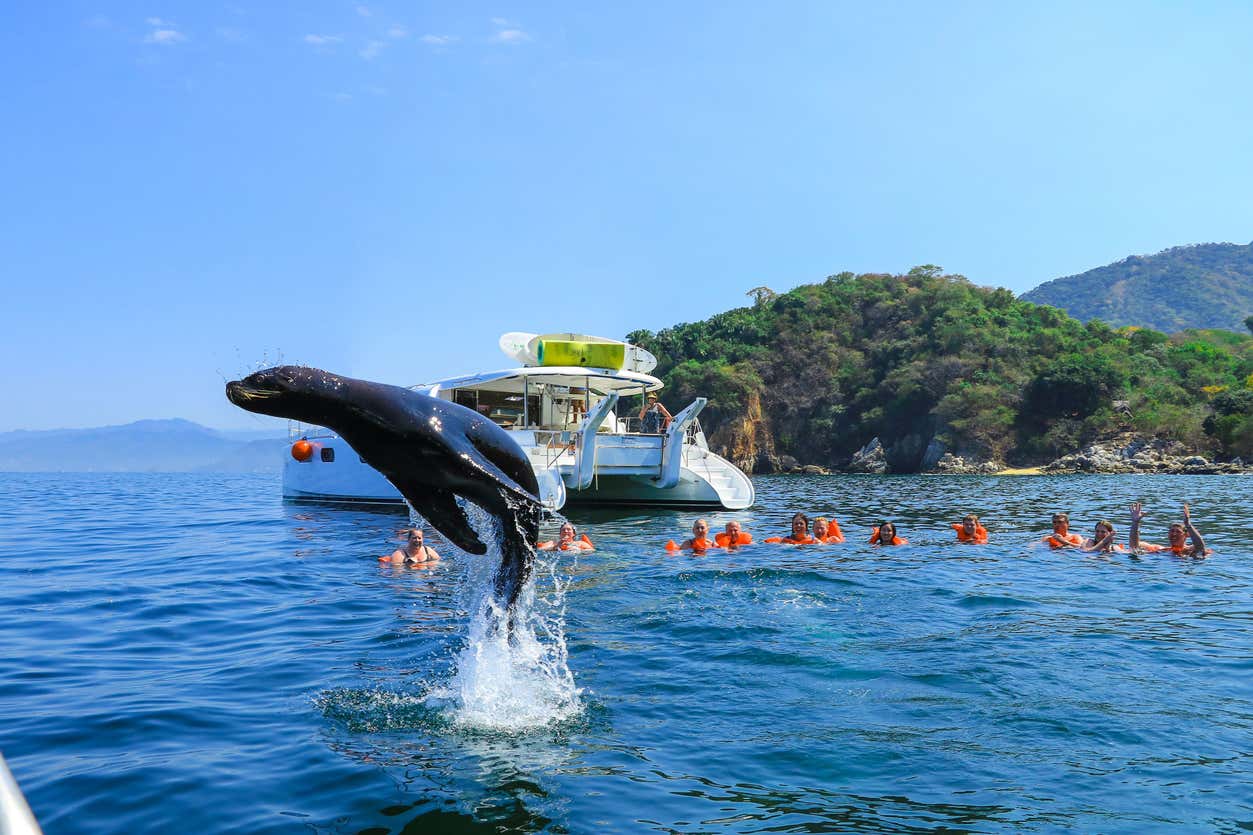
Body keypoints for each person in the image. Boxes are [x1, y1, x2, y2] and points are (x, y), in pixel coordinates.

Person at [1129, 502, 1211, 557]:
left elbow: (1200, 547)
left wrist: (1188, 525)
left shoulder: (1190, 549)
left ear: (1186, 535)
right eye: (1171, 531)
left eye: (1178, 532)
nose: (1174, 534)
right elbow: (1134, 547)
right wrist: (1135, 523)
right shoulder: (1161, 549)